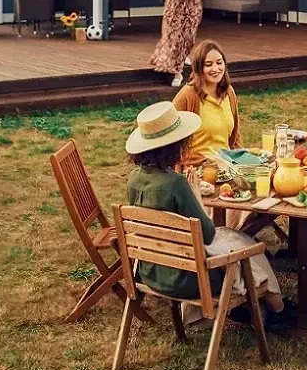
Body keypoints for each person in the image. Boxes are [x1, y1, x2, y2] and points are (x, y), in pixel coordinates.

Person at [125, 102, 293, 330]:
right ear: (175, 146)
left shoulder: (134, 180)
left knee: (234, 238)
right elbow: (207, 235)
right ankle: (278, 309)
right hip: (189, 280)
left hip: (152, 272)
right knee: (243, 244)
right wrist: (194, 195)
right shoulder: (176, 183)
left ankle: (258, 308)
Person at [172, 40, 241, 168]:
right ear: (199, 68)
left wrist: (240, 162)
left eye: (219, 63)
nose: (215, 69)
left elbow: (235, 137)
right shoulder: (187, 96)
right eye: (208, 64)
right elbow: (170, 139)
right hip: (196, 171)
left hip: (226, 168)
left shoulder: (229, 92)